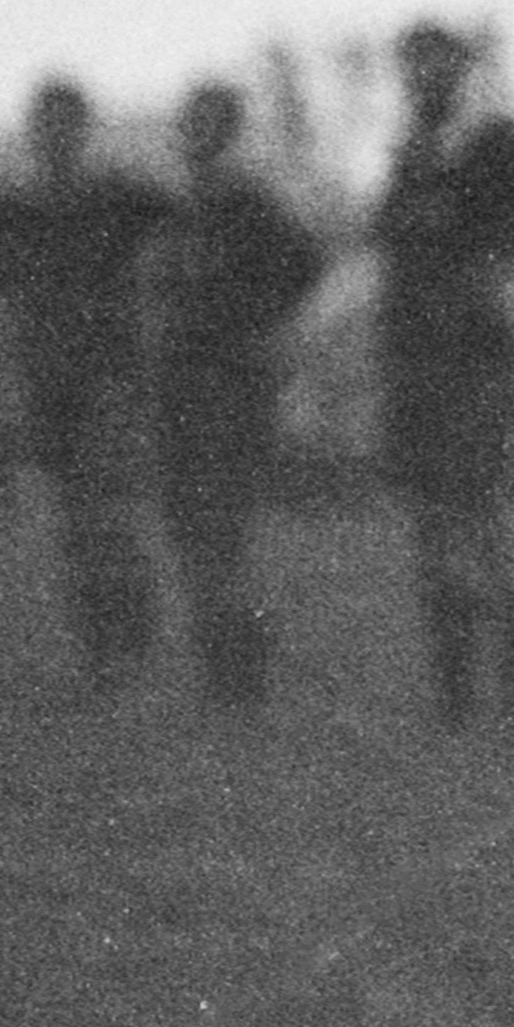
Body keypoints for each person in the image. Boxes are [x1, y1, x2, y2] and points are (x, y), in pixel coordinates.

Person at [367, 23, 514, 729]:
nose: (418, 78)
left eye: (432, 65)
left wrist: (508, 276)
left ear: (457, 71)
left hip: (474, 362)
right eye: (409, 66)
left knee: (479, 524)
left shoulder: (494, 146)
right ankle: (457, 696)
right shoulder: (409, 155)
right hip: (412, 360)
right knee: (433, 530)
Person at [0, 77, 172, 686]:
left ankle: (130, 644)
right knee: (72, 521)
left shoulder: (123, 196)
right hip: (46, 376)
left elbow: (186, 230)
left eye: (65, 123)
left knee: (105, 515)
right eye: (44, 124)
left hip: (110, 375)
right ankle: (99, 649)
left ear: (84, 129)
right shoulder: (12, 208)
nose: (54, 136)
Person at [140, 79, 324, 715]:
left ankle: (241, 682)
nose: (193, 135)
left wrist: (259, 330)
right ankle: (224, 678)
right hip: (182, 383)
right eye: (189, 123)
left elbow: (305, 264)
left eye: (206, 124)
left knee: (219, 531)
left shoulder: (247, 203)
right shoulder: (182, 206)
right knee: (192, 532)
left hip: (227, 387)